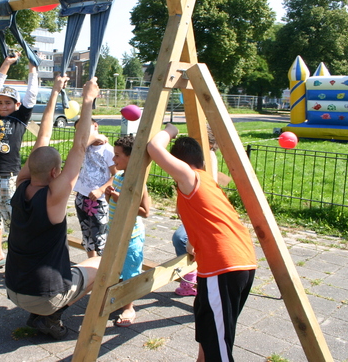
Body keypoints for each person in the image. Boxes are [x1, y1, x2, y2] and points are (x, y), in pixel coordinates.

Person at [147, 123, 257, 362]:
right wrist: (194, 243)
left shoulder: (190, 176)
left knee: (218, 349)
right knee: (212, 335)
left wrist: (170, 130)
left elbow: (154, 148)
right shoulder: (206, 179)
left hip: (224, 266)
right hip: (236, 263)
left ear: (182, 164)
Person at [5, 75, 102, 340]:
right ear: (56, 172)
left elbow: (43, 136)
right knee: (102, 263)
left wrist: (55, 92)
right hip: (41, 296)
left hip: (13, 289)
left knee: (73, 267)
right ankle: (51, 316)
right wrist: (88, 99)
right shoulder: (54, 196)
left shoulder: (21, 184)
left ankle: (42, 311)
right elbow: (79, 147)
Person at [0, 52, 39, 272]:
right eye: (1, 103)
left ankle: (20, 257)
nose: (3, 106)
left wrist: (33, 69)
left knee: (14, 219)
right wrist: (6, 63)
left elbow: (31, 94)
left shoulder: (19, 118)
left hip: (7, 177)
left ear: (16, 105)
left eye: (8, 103)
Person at [105, 135, 151, 327]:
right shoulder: (118, 177)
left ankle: (129, 307)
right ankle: (116, 298)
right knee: (114, 268)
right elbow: (114, 205)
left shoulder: (139, 181)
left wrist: (119, 198)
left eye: (117, 156)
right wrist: (109, 197)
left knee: (131, 271)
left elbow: (145, 212)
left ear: (131, 158)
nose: (113, 160)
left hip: (131, 236)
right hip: (114, 232)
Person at [171, 127, 218, 297]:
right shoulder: (195, 162)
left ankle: (193, 277)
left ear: (210, 144)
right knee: (181, 239)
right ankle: (192, 275)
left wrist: (169, 131)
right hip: (193, 207)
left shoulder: (208, 158)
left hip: (203, 213)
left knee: (182, 238)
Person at [73, 118, 116, 258]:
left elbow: (117, 175)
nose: (83, 133)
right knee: (86, 234)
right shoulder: (84, 148)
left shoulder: (108, 150)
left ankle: (101, 269)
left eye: (86, 128)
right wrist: (96, 137)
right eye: (79, 130)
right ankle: (90, 261)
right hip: (82, 196)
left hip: (99, 200)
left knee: (100, 236)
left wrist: (101, 189)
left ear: (96, 125)